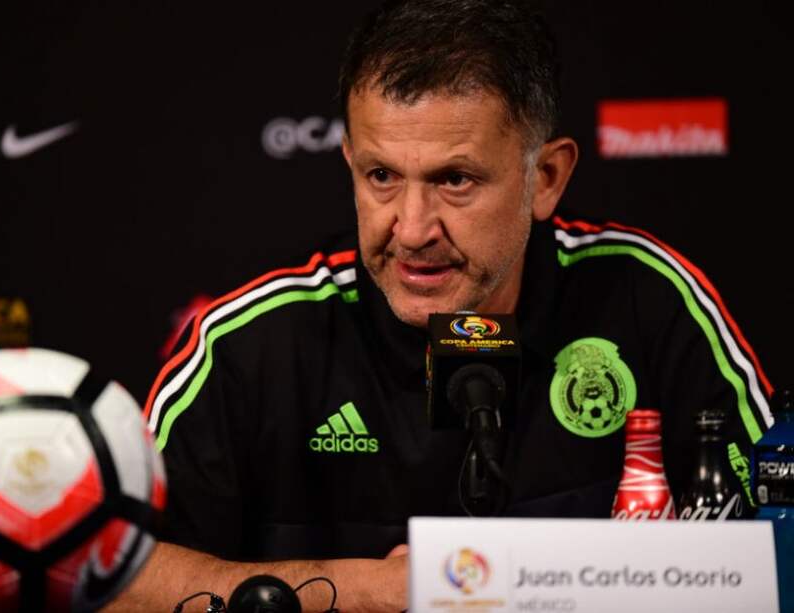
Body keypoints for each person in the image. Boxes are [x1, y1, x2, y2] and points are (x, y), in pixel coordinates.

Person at [108, 0, 773, 610]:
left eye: (455, 179)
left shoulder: (646, 298)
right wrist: (369, 589)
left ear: (546, 178)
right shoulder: (249, 345)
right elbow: (113, 579)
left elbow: (779, 541)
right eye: (381, 177)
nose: (413, 227)